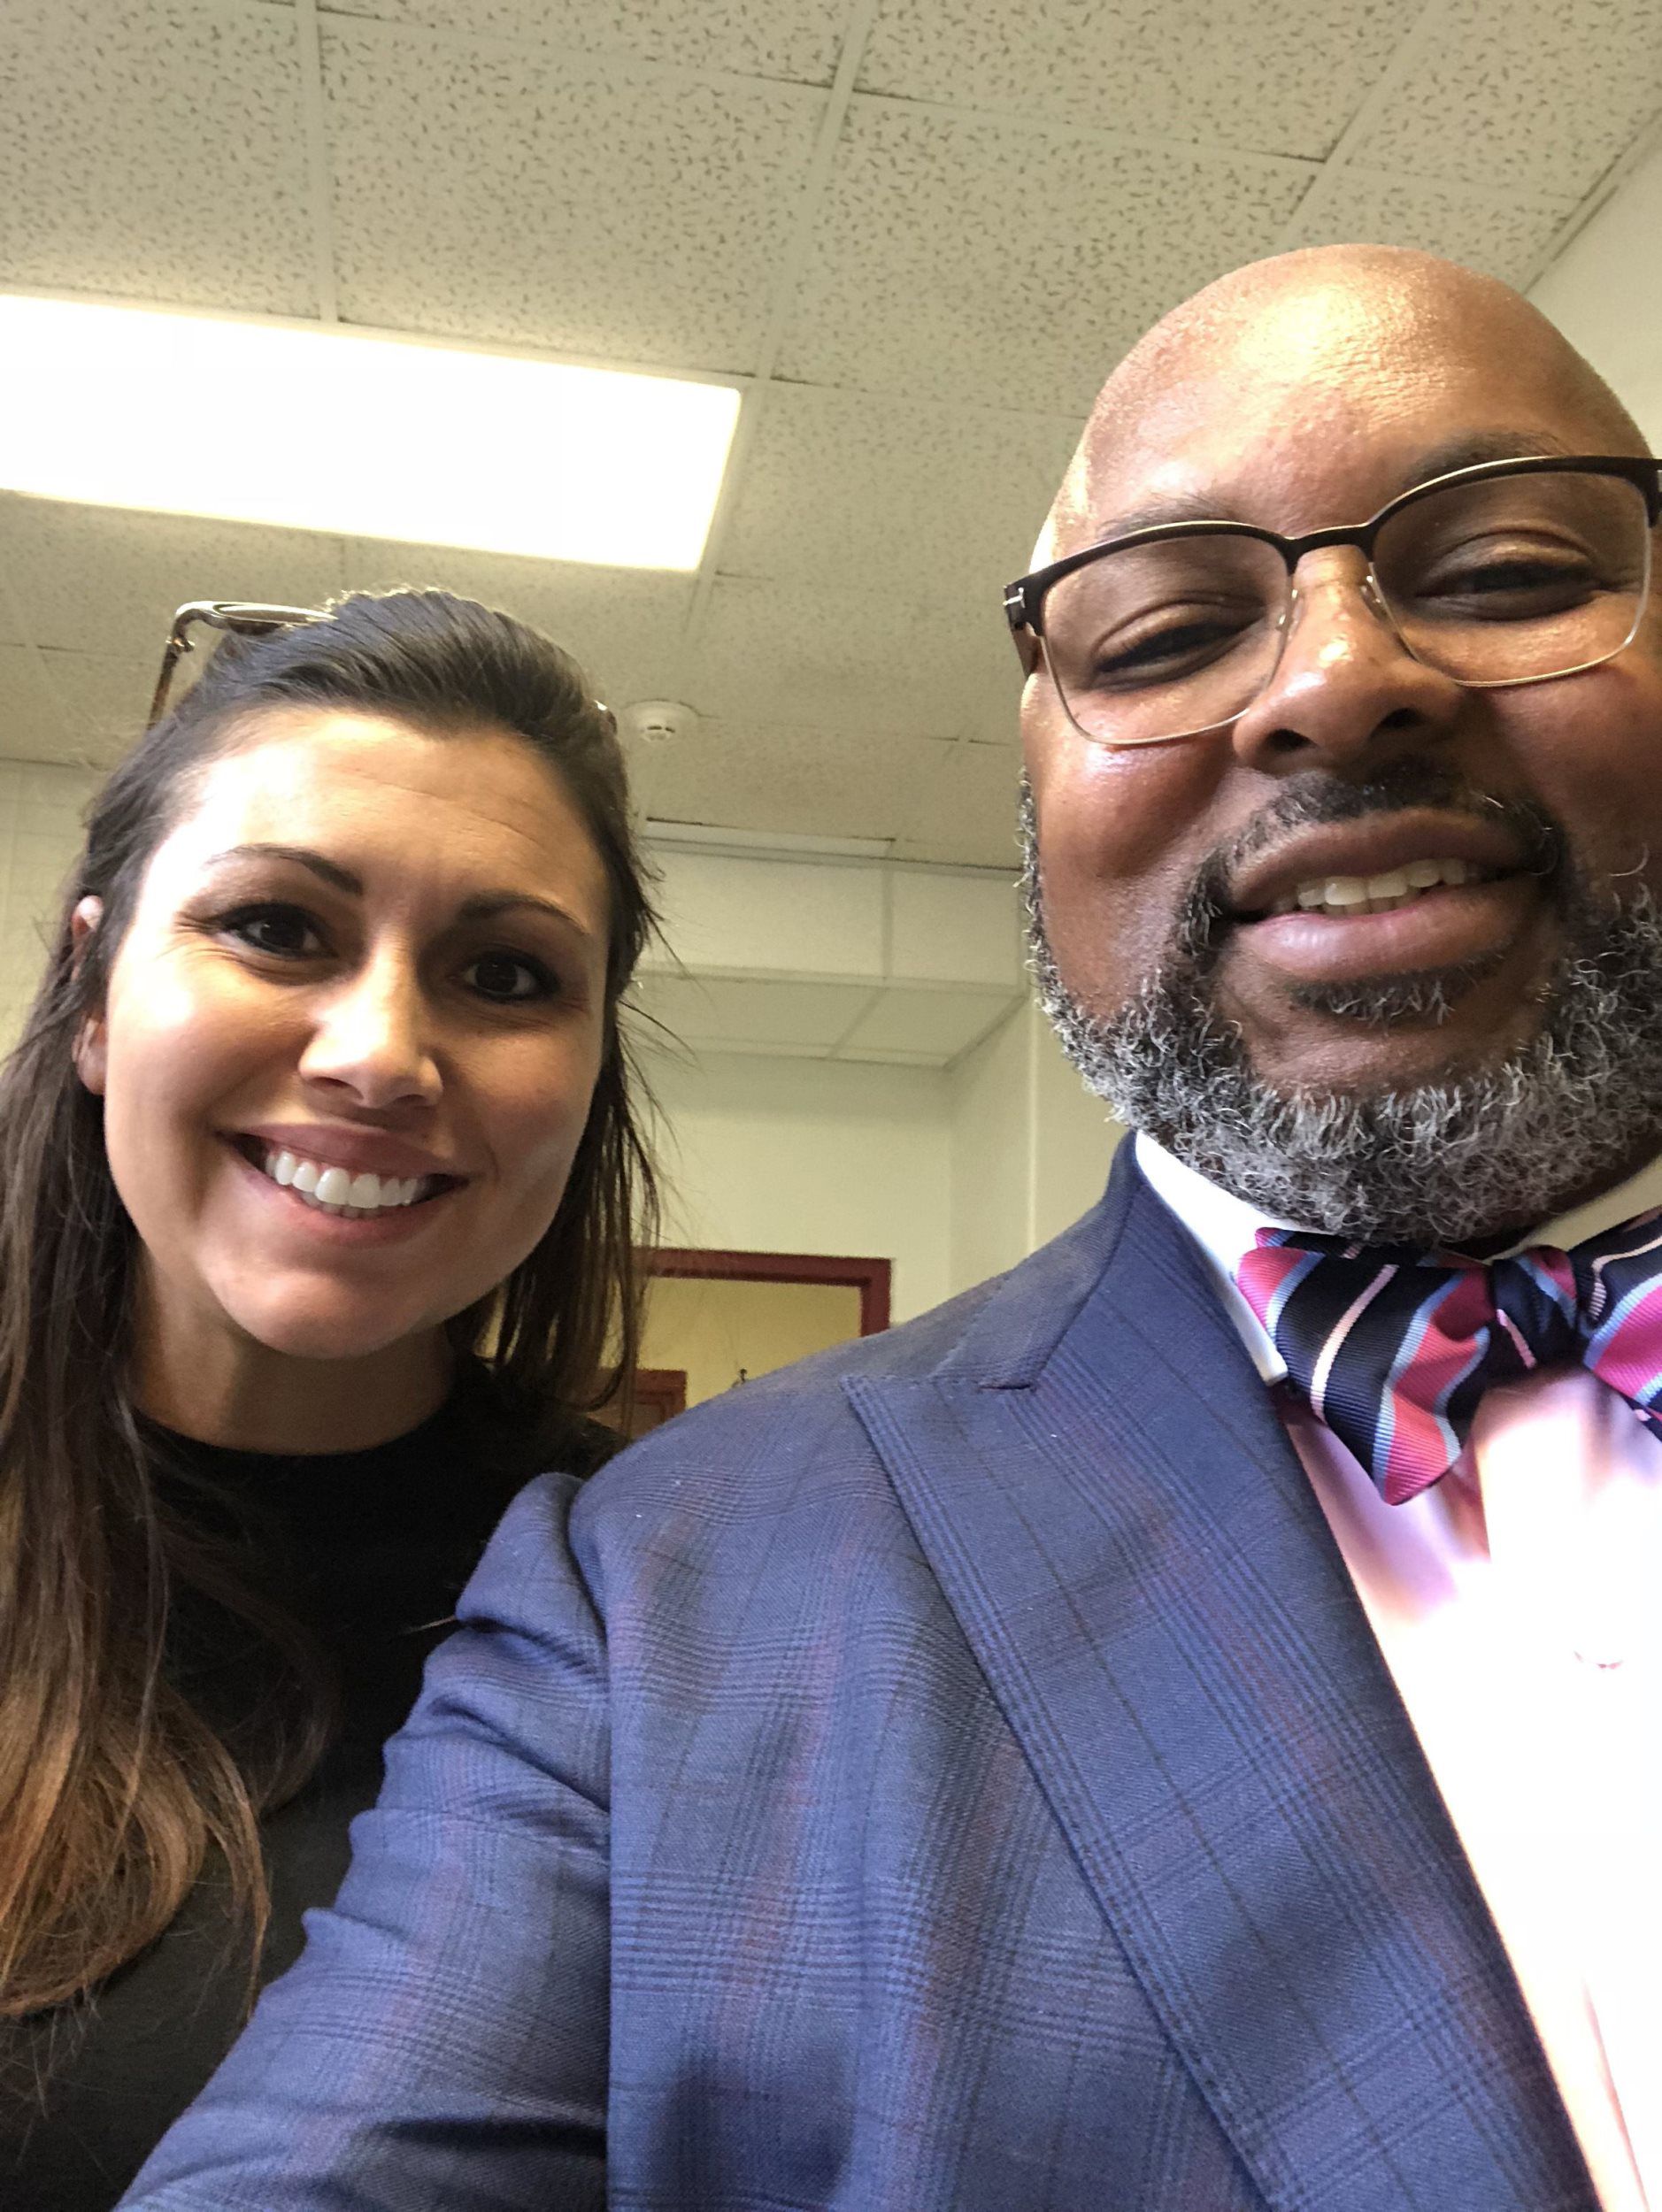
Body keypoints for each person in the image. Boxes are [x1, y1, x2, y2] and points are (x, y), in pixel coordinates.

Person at [119, 246, 1660, 2211]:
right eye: (1172, 624)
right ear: (1032, 780)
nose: (1340, 678)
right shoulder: (654, 1587)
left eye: (1512, 571)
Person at [0, 588, 658, 2208]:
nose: (380, 1054)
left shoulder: (670, 1605)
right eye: (278, 928)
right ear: (94, 998)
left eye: (504, 974)